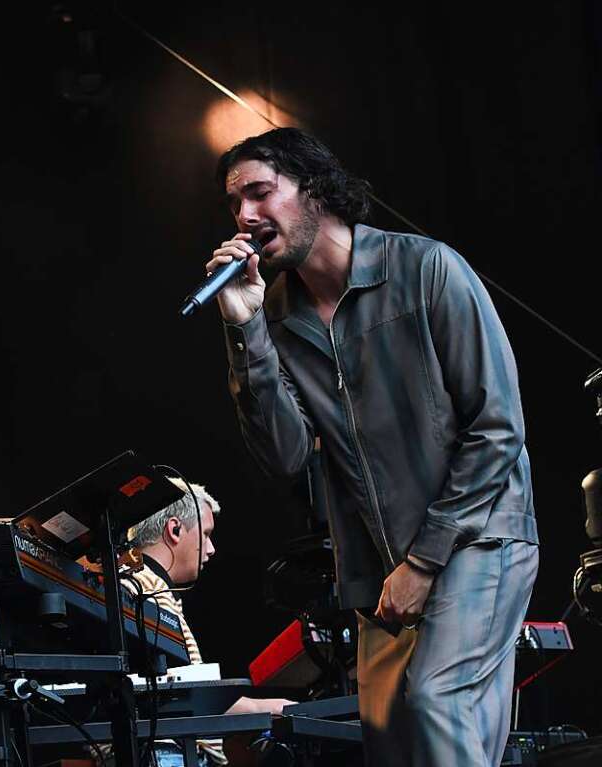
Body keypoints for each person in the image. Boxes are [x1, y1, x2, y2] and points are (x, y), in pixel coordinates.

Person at [205, 127, 538, 766]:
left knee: (437, 704)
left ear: (317, 190)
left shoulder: (424, 268)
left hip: (477, 536)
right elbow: (286, 456)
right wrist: (245, 329)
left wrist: (424, 561)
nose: (244, 216)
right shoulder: (274, 313)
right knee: (394, 743)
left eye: (260, 193)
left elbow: (497, 427)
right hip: (376, 567)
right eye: (233, 204)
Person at [124, 478, 294, 767]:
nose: (212, 548)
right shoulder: (142, 591)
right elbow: (186, 702)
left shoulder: (143, 586)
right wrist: (267, 708)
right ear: (175, 530)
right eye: (206, 534)